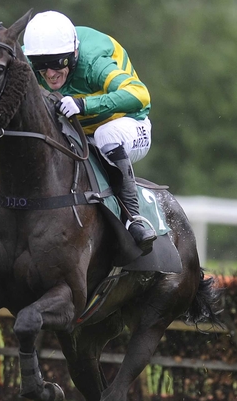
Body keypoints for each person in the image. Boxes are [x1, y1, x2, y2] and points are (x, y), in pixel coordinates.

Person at [23, 11, 156, 255]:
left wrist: (84, 105)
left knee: (106, 135)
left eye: (58, 63)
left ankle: (133, 218)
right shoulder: (33, 54)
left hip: (129, 125)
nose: (50, 73)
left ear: (74, 54)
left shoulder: (94, 62)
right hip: (80, 130)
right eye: (41, 66)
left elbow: (140, 94)